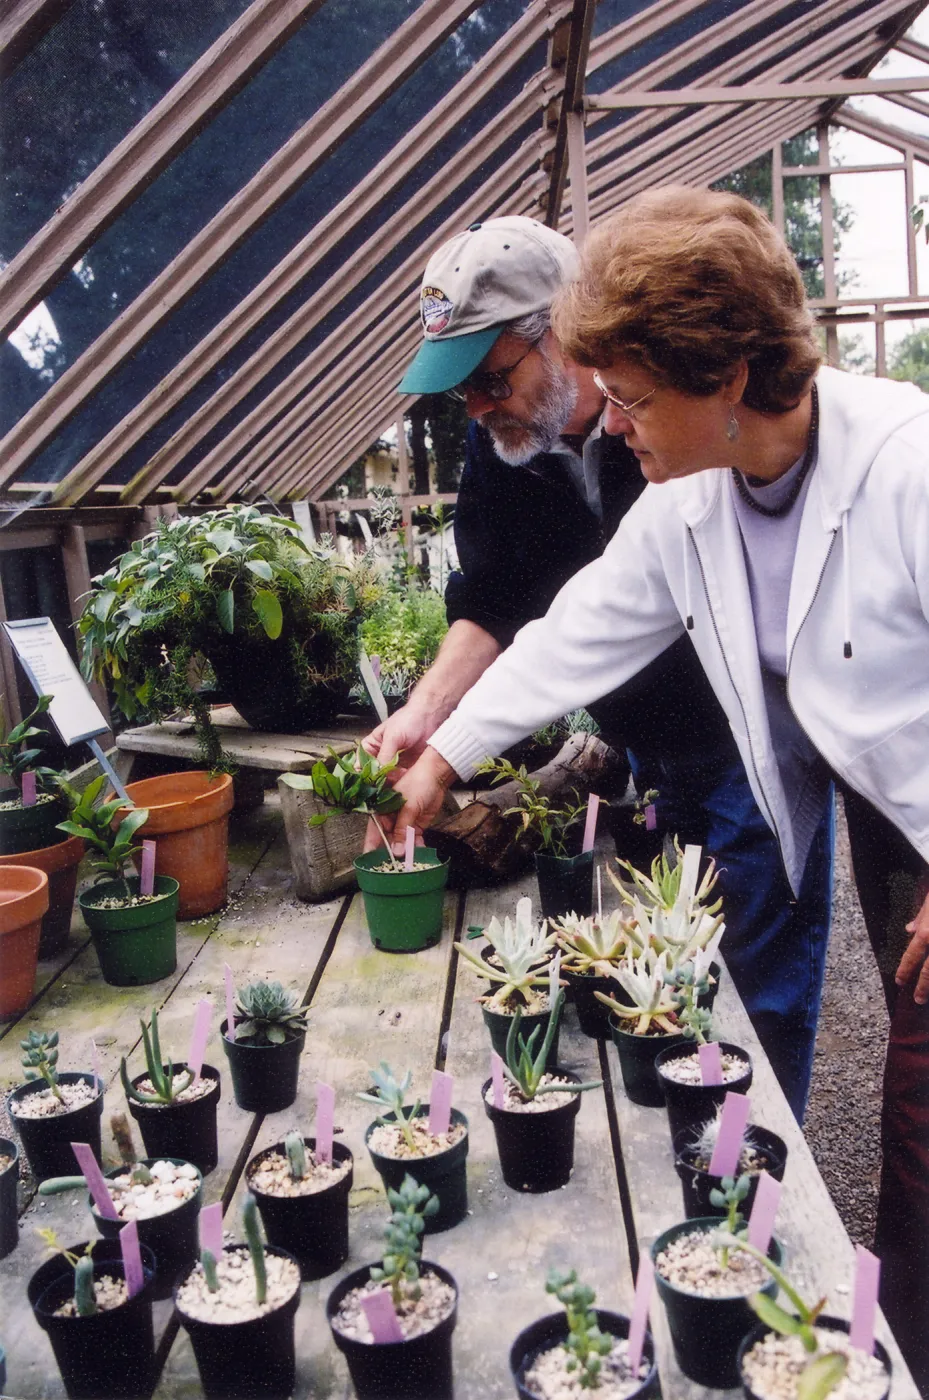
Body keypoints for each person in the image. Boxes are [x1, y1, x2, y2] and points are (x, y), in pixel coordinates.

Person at [383, 187, 929, 1389]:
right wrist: (439, 756)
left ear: (727, 375)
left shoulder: (904, 462)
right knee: (907, 1107)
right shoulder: (690, 501)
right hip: (894, 819)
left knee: (917, 1122)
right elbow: (568, 635)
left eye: (629, 397)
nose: (614, 426)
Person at [365, 214, 832, 1121]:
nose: (476, 407)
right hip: (651, 747)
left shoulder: (698, 431)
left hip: (751, 745)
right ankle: (707, 1156)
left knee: (757, 978)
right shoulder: (508, 442)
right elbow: (538, 614)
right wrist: (430, 732)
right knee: (675, 961)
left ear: (564, 334)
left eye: (490, 378)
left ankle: (763, 1174)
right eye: (457, 392)